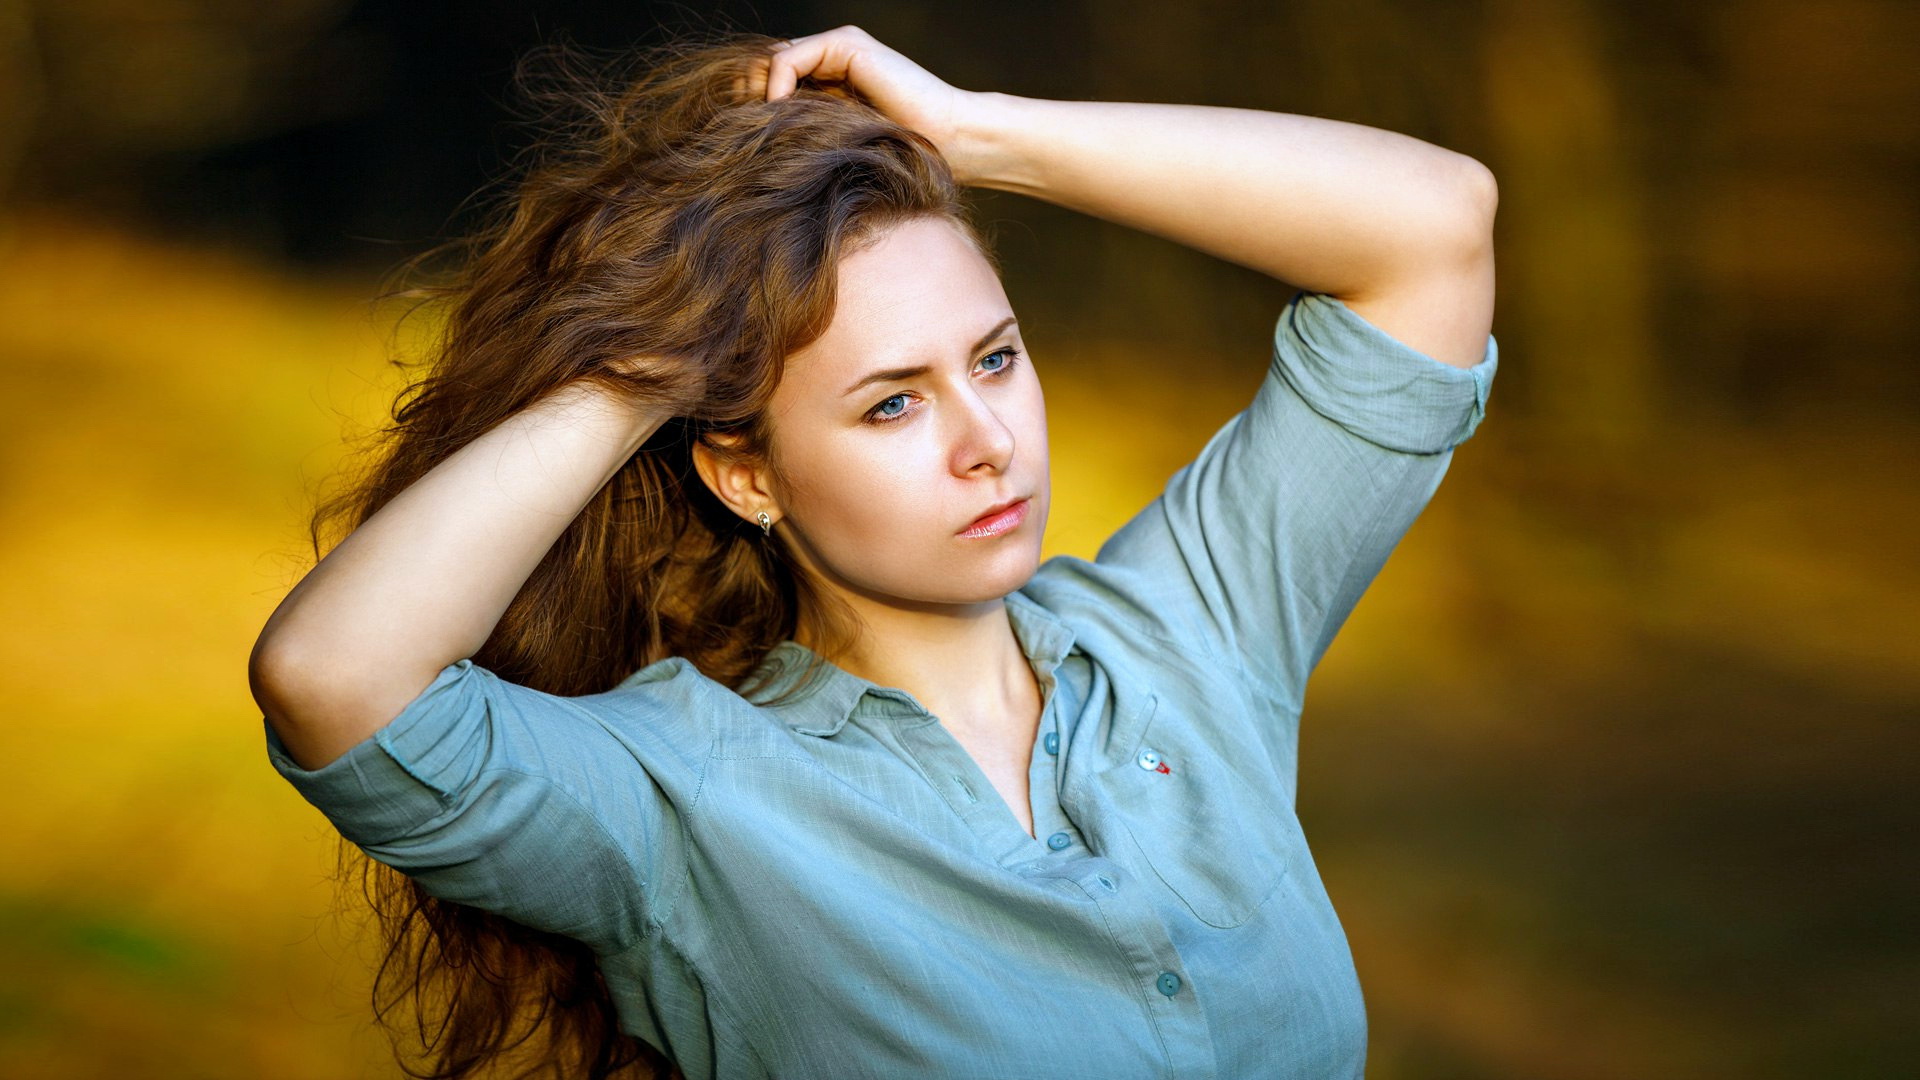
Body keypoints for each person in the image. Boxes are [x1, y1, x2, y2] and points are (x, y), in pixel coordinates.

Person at [249, 24, 1498, 1080]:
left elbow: (1433, 231)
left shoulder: (1193, 628)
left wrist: (972, 136)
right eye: (892, 402)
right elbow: (334, 679)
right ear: (745, 472)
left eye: (995, 359)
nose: (987, 442)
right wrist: (645, 359)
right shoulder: (686, 804)